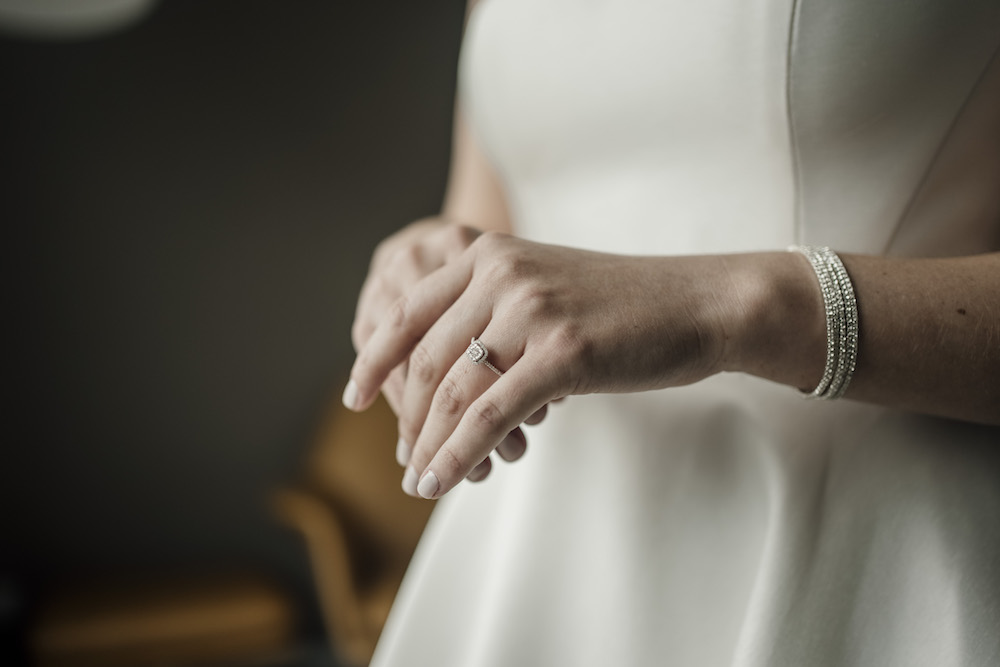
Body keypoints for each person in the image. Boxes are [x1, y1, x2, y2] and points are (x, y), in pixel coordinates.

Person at [346, 0, 1000, 664]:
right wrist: (432, 271)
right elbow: (489, 215)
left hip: (870, 558)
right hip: (539, 547)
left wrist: (732, 305)